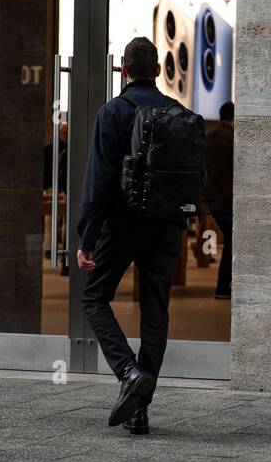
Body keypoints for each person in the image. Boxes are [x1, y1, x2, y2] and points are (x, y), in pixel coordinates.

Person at [76, 37, 188, 436]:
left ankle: (127, 370)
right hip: (165, 228)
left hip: (122, 226)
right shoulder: (178, 113)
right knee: (156, 311)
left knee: (93, 296)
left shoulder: (112, 112)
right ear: (157, 70)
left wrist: (87, 236)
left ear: (124, 70)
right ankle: (140, 408)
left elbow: (100, 180)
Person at [203, 101, 234, 299]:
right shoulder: (233, 139)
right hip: (227, 198)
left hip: (210, 198)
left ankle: (224, 286)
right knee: (233, 242)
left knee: (231, 240)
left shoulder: (208, 138)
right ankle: (223, 287)